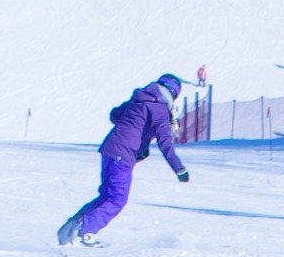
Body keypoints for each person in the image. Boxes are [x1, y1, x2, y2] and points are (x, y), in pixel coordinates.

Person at [57, 73, 192, 247]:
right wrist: (179, 168)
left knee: (106, 196)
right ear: (174, 93)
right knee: (117, 199)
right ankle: (85, 233)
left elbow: (115, 115)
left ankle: (70, 228)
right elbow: (165, 143)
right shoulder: (160, 110)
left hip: (109, 150)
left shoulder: (140, 98)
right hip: (123, 155)